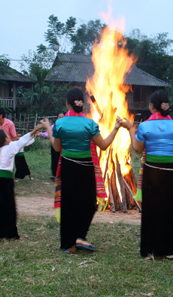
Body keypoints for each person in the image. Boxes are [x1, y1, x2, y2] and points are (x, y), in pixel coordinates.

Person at [121, 90, 173, 259]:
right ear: (166, 105)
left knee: (151, 211)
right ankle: (168, 249)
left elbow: (138, 149)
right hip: (169, 172)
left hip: (151, 171)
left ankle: (147, 251)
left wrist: (130, 129)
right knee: (172, 210)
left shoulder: (144, 125)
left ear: (152, 107)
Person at [40, 87, 122, 254]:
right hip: (86, 167)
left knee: (69, 204)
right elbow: (104, 145)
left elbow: (56, 148)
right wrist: (116, 128)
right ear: (82, 105)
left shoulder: (61, 123)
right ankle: (80, 236)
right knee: (89, 203)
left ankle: (69, 244)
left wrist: (49, 128)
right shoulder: (89, 123)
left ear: (67, 103)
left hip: (68, 166)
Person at [0, 124, 43, 239]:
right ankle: (0, 230)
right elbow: (23, 140)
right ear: (6, 139)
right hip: (5, 181)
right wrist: (35, 130)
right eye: (7, 135)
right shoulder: (11, 147)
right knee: (9, 210)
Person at [39, 113, 64, 179]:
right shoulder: (53, 126)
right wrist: (40, 134)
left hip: (64, 146)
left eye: (62, 117)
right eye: (59, 117)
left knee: (62, 160)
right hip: (54, 144)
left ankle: (62, 174)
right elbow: (48, 134)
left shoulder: (66, 126)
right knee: (54, 159)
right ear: (57, 118)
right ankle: (54, 174)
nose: (61, 118)